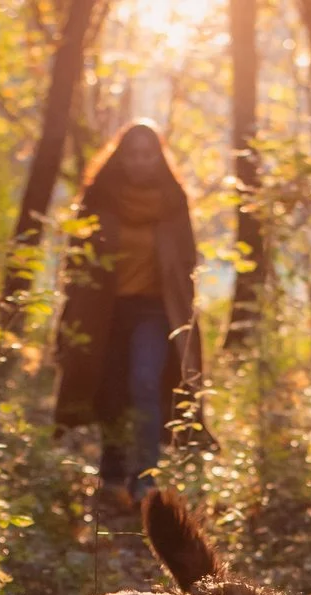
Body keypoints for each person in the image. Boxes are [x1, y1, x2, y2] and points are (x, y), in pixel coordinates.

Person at [52, 122, 204, 511]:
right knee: (110, 390)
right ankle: (112, 473)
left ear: (158, 157)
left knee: (145, 382)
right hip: (105, 310)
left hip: (155, 310)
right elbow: (78, 261)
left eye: (147, 154)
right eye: (132, 154)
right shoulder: (100, 199)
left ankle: (144, 480)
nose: (139, 162)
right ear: (121, 157)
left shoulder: (173, 201)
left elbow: (186, 262)